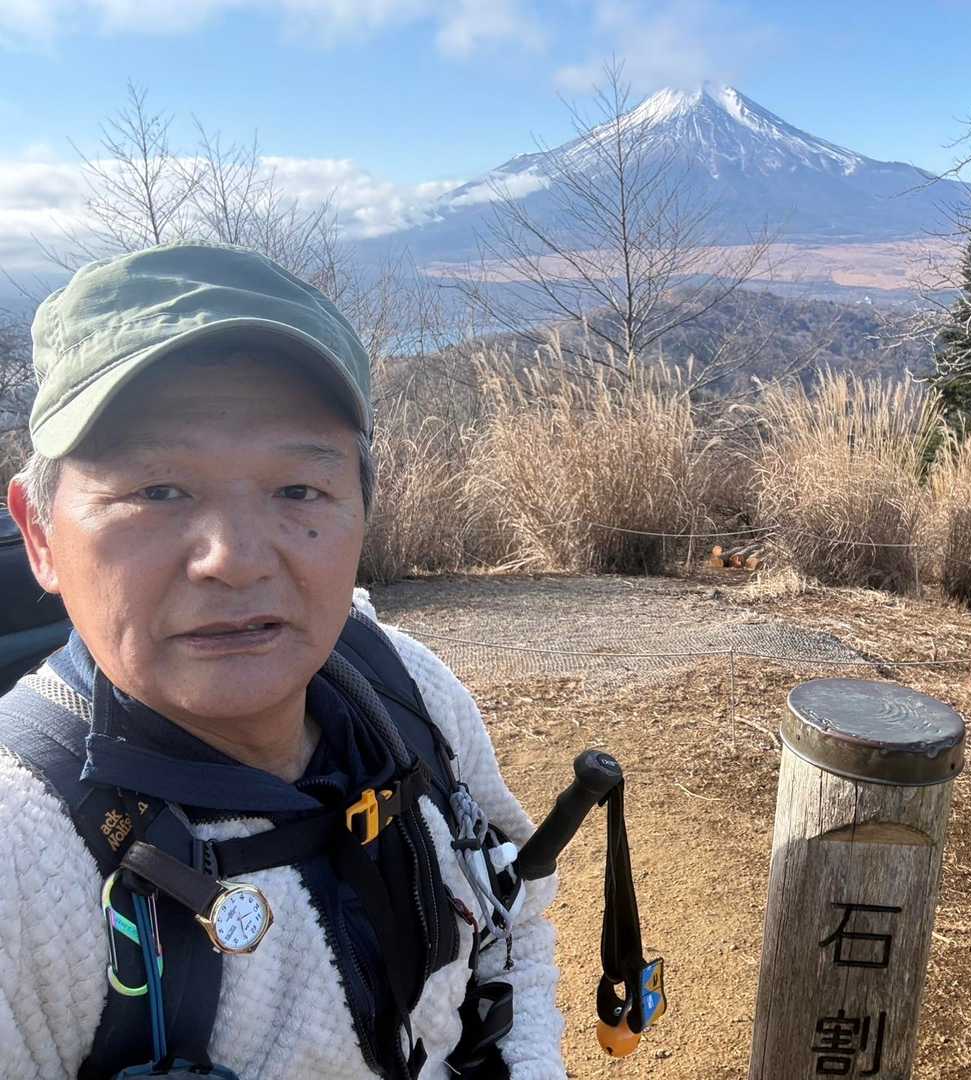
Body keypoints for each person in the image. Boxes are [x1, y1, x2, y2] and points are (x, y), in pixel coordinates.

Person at [0, 243, 566, 1079]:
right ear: (41, 534)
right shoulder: (21, 854)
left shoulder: (402, 688)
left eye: (298, 490)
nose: (233, 560)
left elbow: (512, 923)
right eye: (157, 491)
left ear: (362, 512)